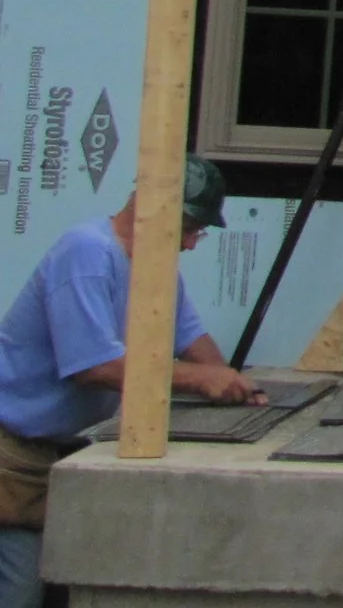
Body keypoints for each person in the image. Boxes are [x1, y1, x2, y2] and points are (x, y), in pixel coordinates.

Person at [0, 158, 258, 608]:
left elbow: (192, 339)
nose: (193, 244)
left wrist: (234, 385)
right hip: (13, 454)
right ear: (162, 212)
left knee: (70, 587)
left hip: (62, 456)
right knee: (21, 595)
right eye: (193, 228)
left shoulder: (153, 267)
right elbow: (93, 367)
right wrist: (200, 380)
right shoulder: (86, 252)